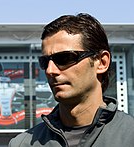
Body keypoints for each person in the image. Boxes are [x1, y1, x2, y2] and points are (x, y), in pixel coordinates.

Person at [9, 13, 134, 147]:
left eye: (65, 58)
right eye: (45, 62)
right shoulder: (23, 144)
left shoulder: (129, 137)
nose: (50, 70)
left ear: (102, 62)